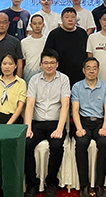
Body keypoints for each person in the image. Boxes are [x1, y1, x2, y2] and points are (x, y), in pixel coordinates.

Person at [23, 49, 70, 197]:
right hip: (37, 123)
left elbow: (65, 105)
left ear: (57, 64)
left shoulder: (64, 79)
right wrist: (28, 127)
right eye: (46, 63)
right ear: (41, 64)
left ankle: (51, 182)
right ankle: (33, 183)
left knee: (56, 146)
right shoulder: (34, 80)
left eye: (52, 63)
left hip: (55, 123)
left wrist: (60, 129)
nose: (49, 65)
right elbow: (30, 105)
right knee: (26, 144)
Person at [71, 57, 106, 197]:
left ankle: (100, 184)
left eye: (94, 68)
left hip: (100, 122)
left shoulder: (105, 87)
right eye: (88, 68)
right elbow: (75, 109)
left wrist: (105, 127)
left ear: (98, 70)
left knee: (104, 143)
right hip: (83, 122)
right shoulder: (77, 87)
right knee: (81, 143)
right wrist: (78, 128)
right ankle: (84, 185)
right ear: (83, 70)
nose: (91, 71)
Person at [45, 7, 88, 86]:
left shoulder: (82, 33)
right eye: (67, 17)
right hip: (58, 77)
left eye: (73, 17)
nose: (70, 19)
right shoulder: (54, 34)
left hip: (80, 77)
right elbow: (47, 55)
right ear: (61, 19)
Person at [0, 53, 26, 124]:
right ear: (1, 65)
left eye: (10, 64)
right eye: (4, 64)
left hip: (13, 120)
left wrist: (8, 125)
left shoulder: (21, 83)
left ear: (15, 66)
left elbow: (20, 106)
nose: (7, 67)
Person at [21, 14, 47, 83]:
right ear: (31, 25)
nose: (37, 26)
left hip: (45, 77)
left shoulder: (47, 40)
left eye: (40, 23)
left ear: (43, 25)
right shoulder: (24, 42)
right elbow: (22, 61)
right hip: (28, 76)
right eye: (34, 24)